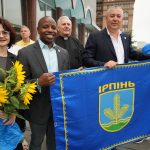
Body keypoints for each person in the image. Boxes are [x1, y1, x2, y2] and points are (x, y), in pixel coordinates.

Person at [82, 6, 150, 150]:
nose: (115, 19)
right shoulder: (95, 36)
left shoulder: (125, 37)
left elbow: (133, 54)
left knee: (117, 122)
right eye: (112, 16)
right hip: (103, 89)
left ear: (122, 19)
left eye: (118, 16)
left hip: (121, 87)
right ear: (106, 18)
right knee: (101, 120)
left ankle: (113, 145)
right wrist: (103, 64)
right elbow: (86, 59)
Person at [17, 16, 70, 150]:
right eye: (45, 27)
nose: (50, 30)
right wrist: (38, 82)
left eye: (53, 27)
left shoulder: (64, 53)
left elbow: (66, 80)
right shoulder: (25, 53)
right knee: (36, 142)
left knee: (54, 143)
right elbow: (20, 86)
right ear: (38, 30)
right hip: (37, 109)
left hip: (58, 109)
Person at [0, 17, 24, 150]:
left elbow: (20, 90)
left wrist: (13, 111)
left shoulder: (16, 60)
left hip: (12, 120)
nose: (1, 36)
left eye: (5, 32)